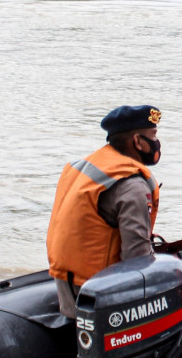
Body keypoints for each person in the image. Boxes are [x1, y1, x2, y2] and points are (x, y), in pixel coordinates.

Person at [46, 105, 162, 318]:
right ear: (137, 141)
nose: (157, 143)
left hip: (67, 288)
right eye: (153, 136)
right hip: (99, 297)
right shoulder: (132, 185)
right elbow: (137, 259)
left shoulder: (83, 166)